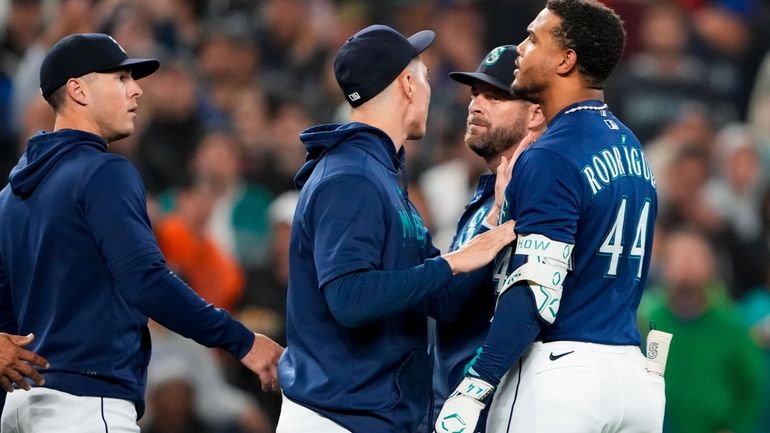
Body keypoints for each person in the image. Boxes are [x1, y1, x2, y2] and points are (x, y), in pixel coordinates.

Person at [0, 33, 283, 432]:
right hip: (86, 403)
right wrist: (244, 342)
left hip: (19, 409)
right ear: (78, 90)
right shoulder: (104, 172)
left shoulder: (10, 196)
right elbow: (146, 281)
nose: (136, 90)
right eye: (120, 78)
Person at [276, 24, 517, 433]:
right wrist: (453, 263)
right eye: (423, 75)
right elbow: (349, 299)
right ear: (407, 84)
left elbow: (440, 299)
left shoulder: (381, 176)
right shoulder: (350, 177)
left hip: (365, 416)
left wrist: (492, 221)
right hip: (335, 418)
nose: (428, 87)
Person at [435, 1, 663, 432]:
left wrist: (475, 385)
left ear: (566, 60)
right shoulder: (631, 146)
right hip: (634, 374)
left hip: (565, 375)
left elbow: (537, 289)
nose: (521, 48)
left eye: (533, 38)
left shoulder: (551, 154)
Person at [429, 44, 545, 432]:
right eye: (475, 94)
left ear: (535, 114)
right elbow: (447, 305)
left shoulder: (544, 200)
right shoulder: (487, 196)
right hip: (455, 403)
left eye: (496, 97)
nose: (476, 106)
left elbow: (446, 301)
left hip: (498, 409)